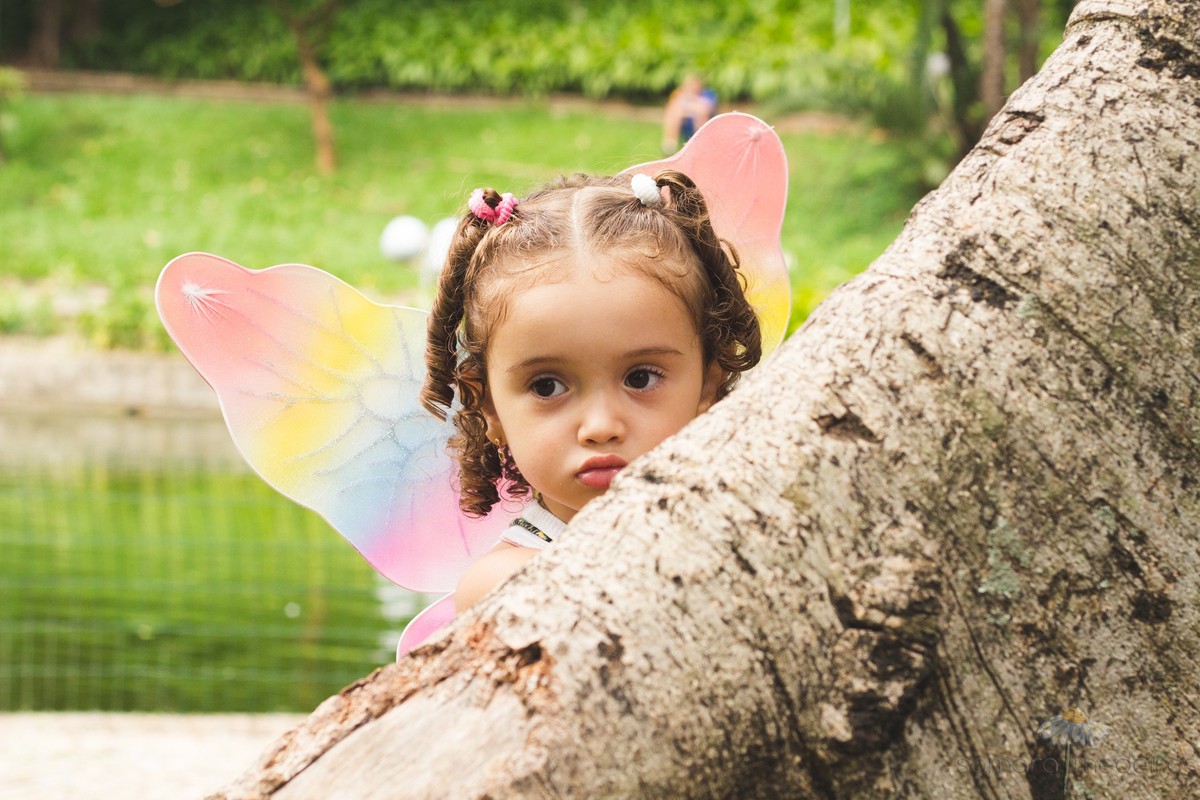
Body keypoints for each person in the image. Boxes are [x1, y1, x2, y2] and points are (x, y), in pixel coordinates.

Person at [419, 171, 762, 612]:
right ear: (490, 408)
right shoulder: (507, 587)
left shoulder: (745, 535)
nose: (600, 427)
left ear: (707, 386)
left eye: (640, 378)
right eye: (547, 386)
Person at [661, 74, 717, 154]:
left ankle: (700, 145)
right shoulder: (679, 94)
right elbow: (672, 107)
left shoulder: (708, 94)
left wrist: (689, 106)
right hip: (684, 123)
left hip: (702, 123)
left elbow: (706, 109)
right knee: (674, 114)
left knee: (700, 114)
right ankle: (670, 145)